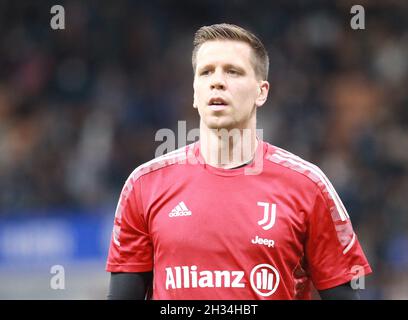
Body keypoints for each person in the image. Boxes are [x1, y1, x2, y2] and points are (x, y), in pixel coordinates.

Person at [106, 23, 372, 300]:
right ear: (195, 92)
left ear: (262, 92)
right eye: (206, 72)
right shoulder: (144, 186)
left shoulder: (308, 186)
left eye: (233, 71)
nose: (217, 81)